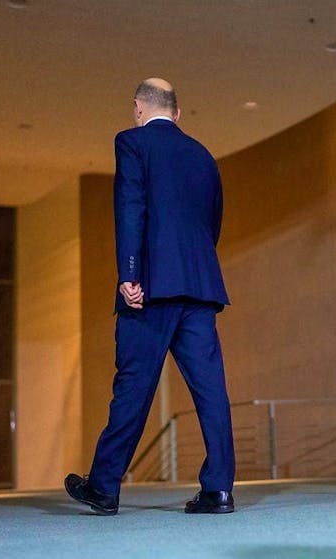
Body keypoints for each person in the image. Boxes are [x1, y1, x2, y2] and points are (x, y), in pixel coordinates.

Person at [65, 77, 235, 515]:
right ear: (177, 113)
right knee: (211, 389)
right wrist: (191, 268)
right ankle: (219, 490)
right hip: (199, 287)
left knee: (134, 387)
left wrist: (131, 274)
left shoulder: (132, 142)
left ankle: (103, 487)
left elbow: (131, 207)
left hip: (151, 288)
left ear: (139, 108)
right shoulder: (203, 155)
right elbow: (212, 222)